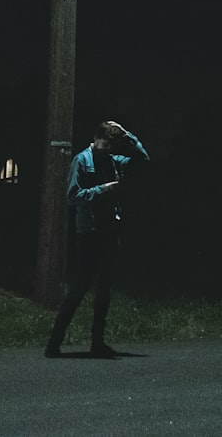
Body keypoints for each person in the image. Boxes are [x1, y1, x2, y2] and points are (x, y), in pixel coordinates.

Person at [45, 120, 151, 358]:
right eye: (105, 145)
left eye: (112, 147)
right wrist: (105, 189)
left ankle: (97, 342)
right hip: (88, 232)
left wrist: (128, 135)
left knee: (104, 289)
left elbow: (143, 161)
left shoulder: (113, 160)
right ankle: (54, 343)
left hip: (110, 231)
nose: (108, 151)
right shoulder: (82, 160)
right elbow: (72, 196)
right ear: (96, 139)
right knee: (80, 287)